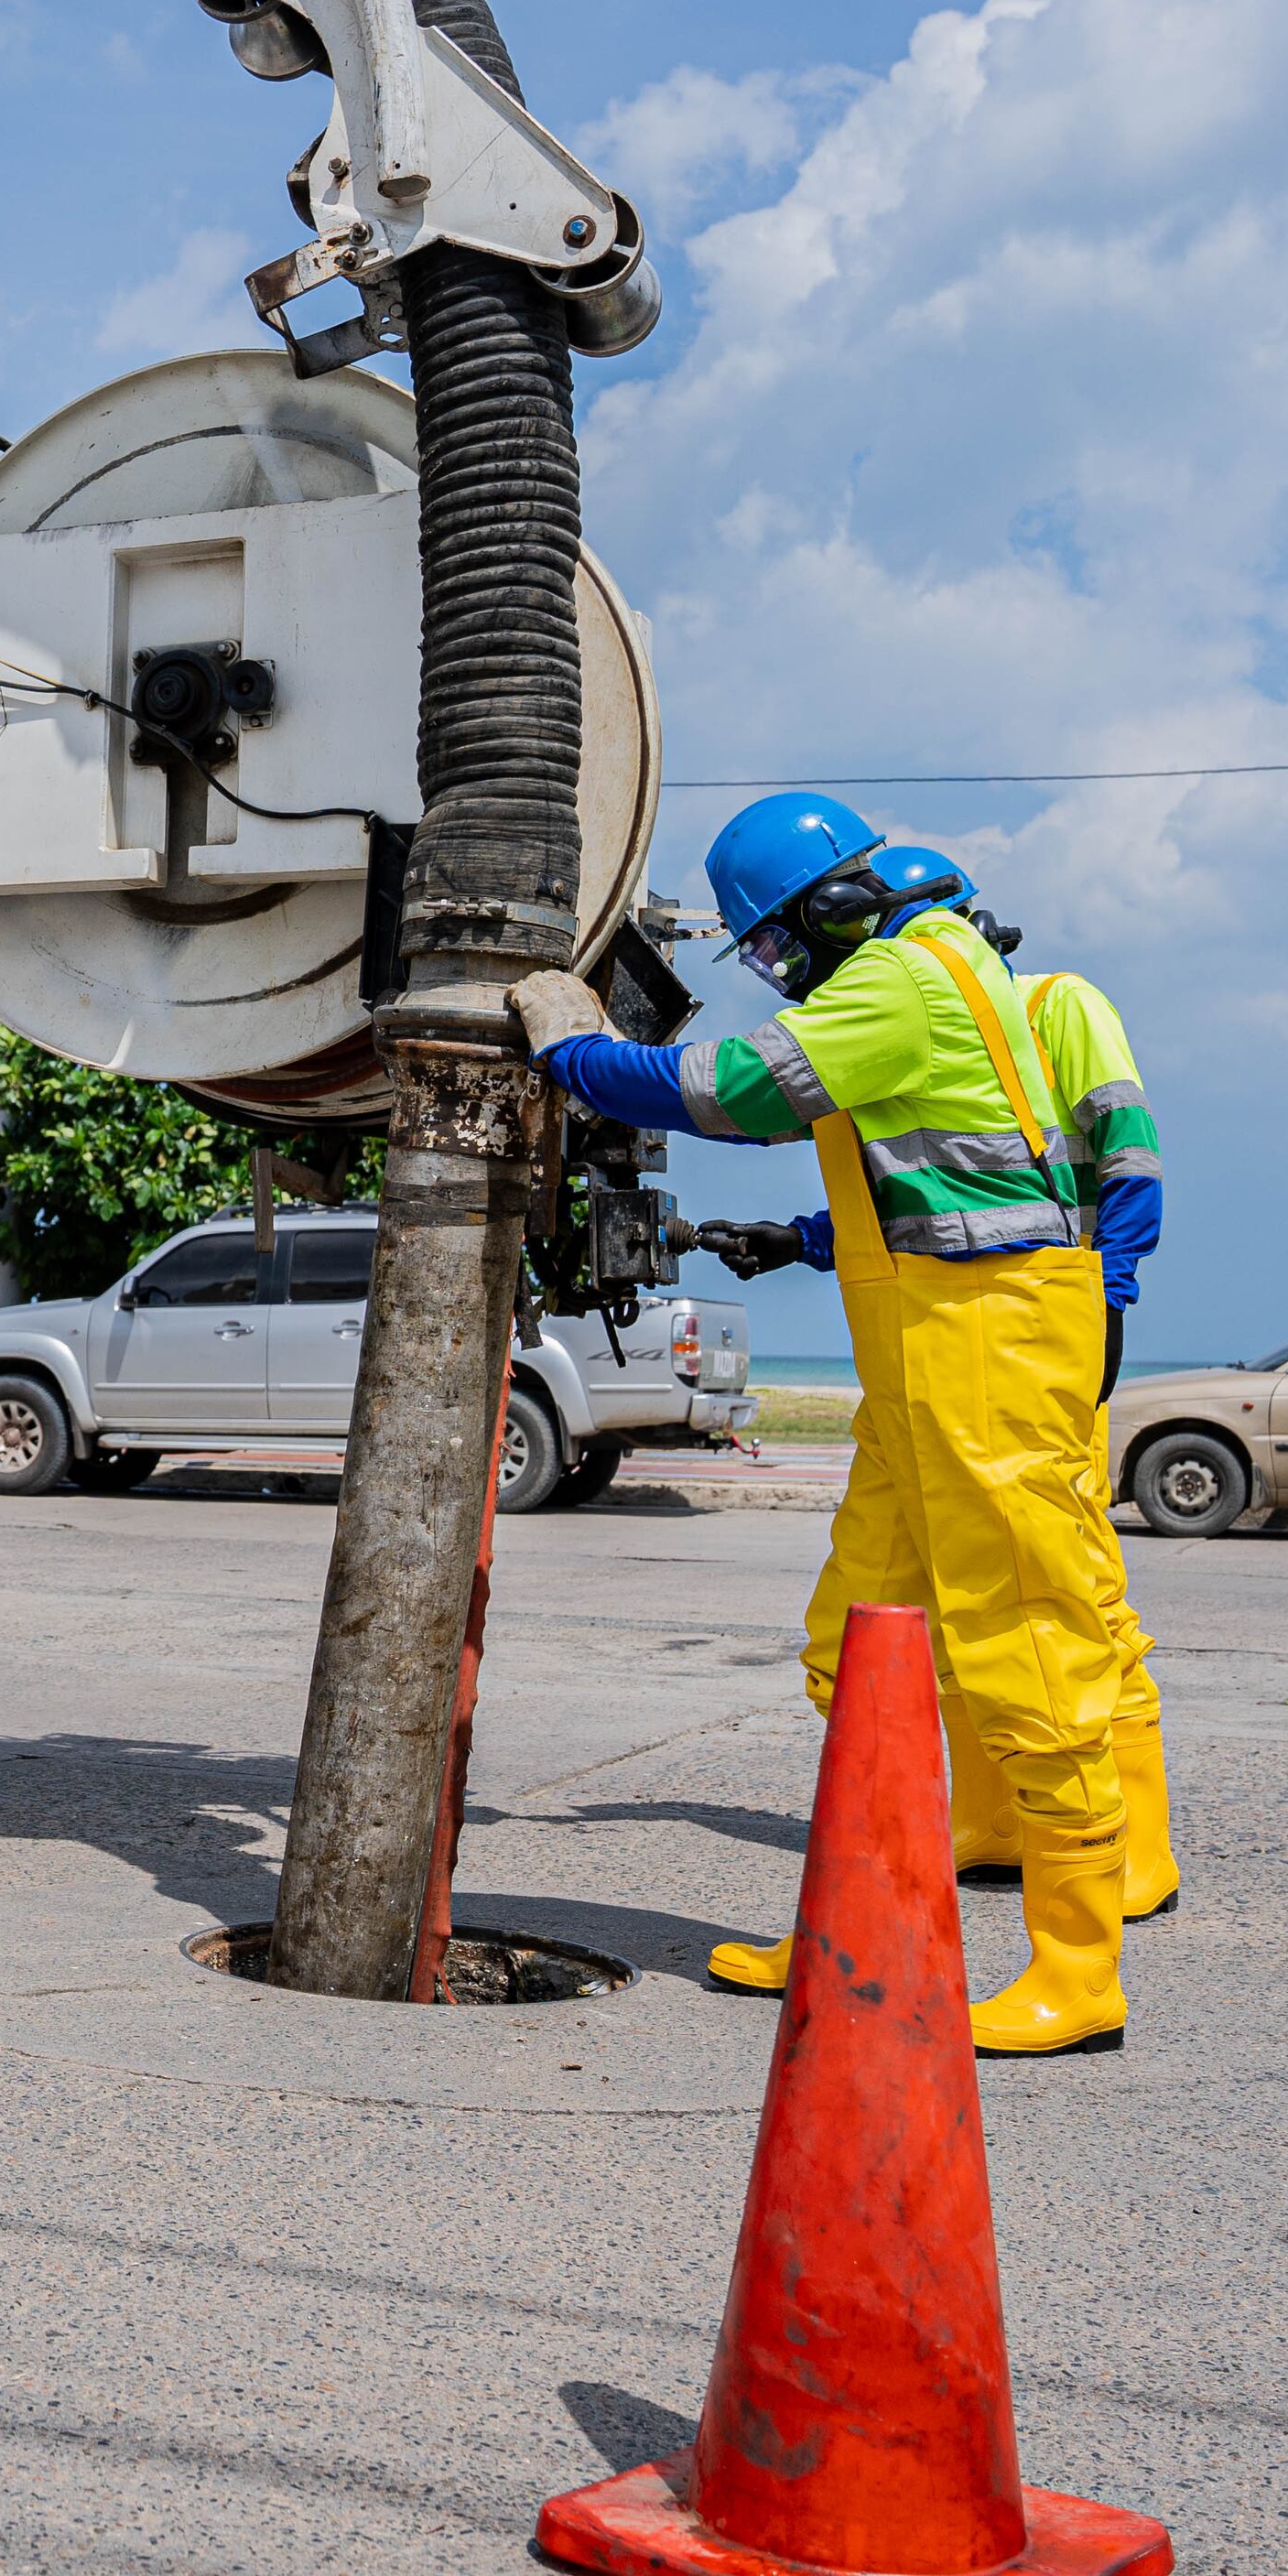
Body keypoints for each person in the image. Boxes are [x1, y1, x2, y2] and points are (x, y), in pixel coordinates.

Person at [507, 796, 1131, 2053]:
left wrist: (574, 1051)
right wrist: (793, 1240)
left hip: (989, 1344)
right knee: (861, 1638)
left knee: (1027, 1638)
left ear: (832, 909)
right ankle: (865, 1913)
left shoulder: (904, 977)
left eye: (780, 950)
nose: (784, 977)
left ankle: (1080, 1967)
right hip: (931, 1351)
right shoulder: (926, 966)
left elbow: (732, 1087)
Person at [752, 845, 1184, 1922]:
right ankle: (995, 1829)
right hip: (958, 1326)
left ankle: (1126, 1859)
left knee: (1061, 1587)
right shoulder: (914, 1013)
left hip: (1040, 1322)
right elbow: (930, 1188)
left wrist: (1101, 1291)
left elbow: (1121, 1157)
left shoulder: (1052, 1004)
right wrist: (798, 1241)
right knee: (952, 1599)